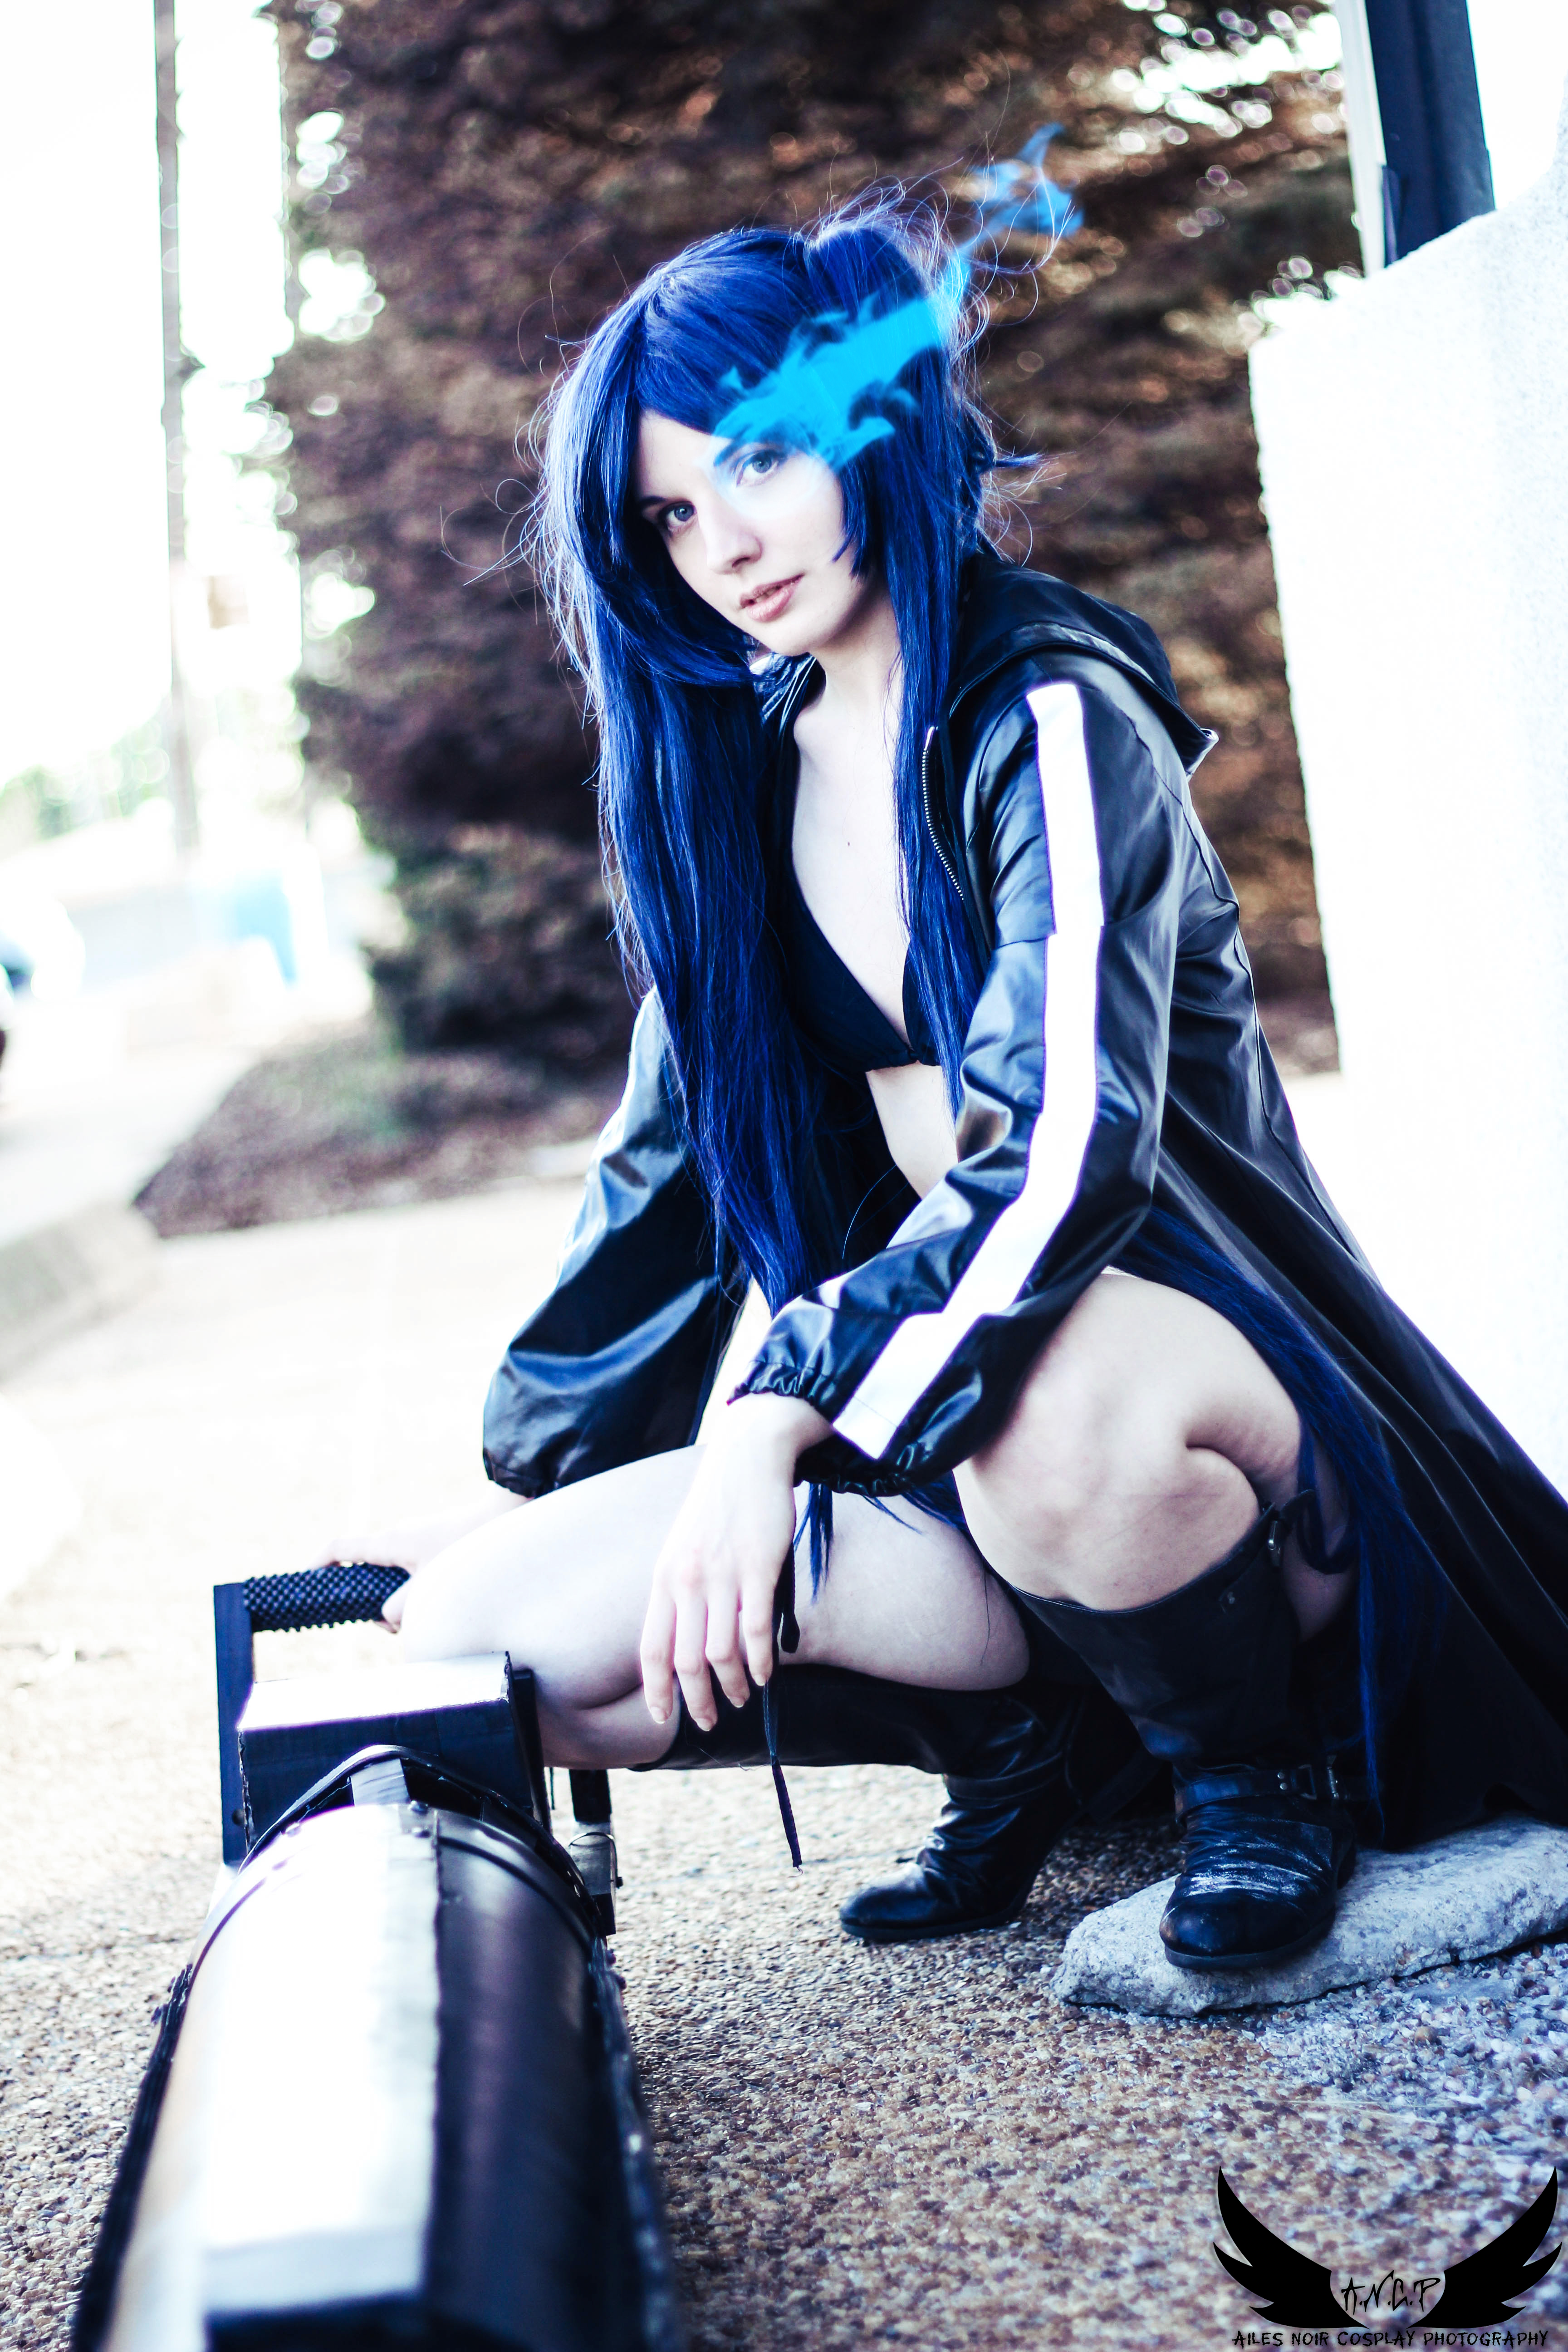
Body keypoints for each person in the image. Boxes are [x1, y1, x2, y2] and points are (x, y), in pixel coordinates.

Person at [358, 198, 1568, 1974]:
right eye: (669, 513)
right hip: (940, 1420)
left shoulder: (1050, 711)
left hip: (1181, 1411)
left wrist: (777, 1414)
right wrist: (558, 1472)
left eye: (757, 460)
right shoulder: (741, 780)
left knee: (1048, 1399)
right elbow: (664, 1180)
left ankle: (1262, 1777)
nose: (724, 543)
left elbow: (1064, 1149)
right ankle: (1027, 1735)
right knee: (489, 1652)